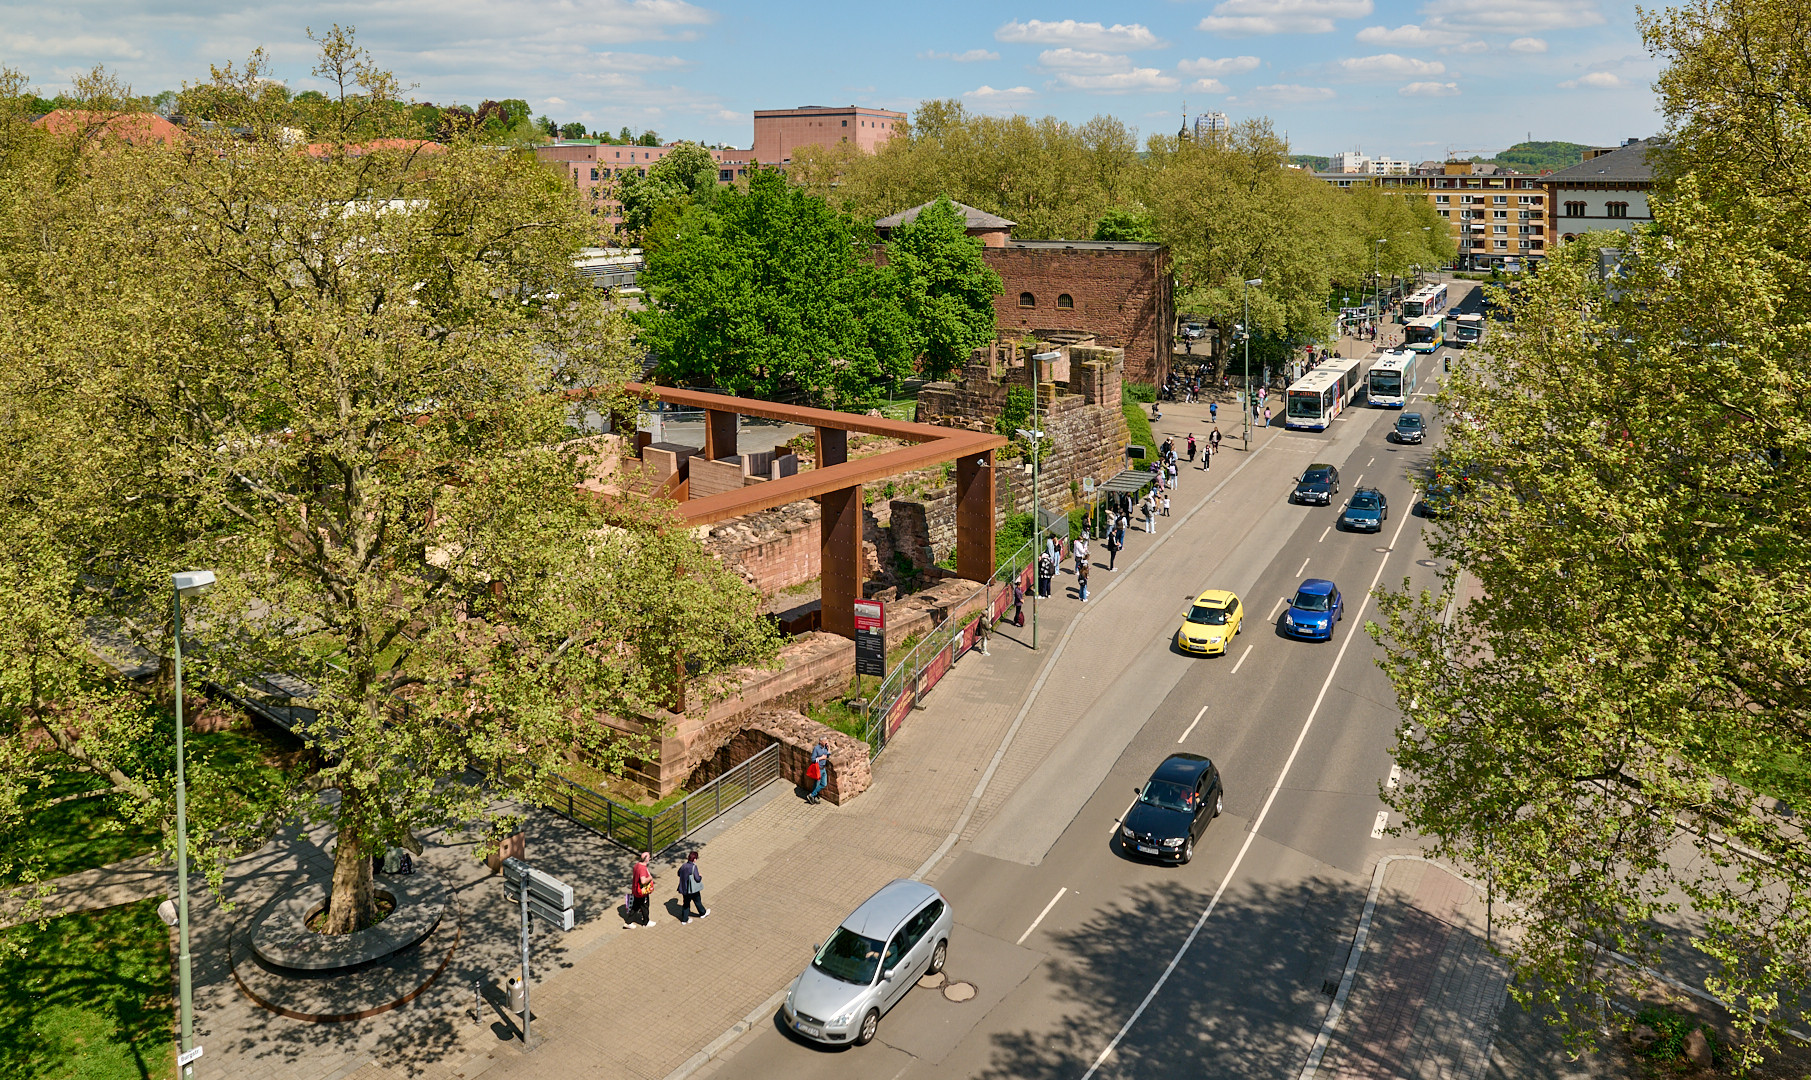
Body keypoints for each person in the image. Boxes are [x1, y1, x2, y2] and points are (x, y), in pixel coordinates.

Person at [677, 851, 707, 924]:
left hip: (684, 888)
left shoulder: (684, 865)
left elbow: (678, 873)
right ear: (694, 859)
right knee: (697, 901)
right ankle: (703, 913)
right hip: (692, 889)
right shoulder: (693, 867)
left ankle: (684, 919)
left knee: (686, 904)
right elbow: (697, 879)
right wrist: (700, 876)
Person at [628, 852, 655, 927]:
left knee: (635, 906)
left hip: (636, 890)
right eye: (649, 857)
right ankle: (646, 922)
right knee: (645, 906)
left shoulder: (637, 865)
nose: (650, 858)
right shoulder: (642, 868)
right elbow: (643, 881)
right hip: (642, 892)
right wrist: (650, 878)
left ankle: (628, 922)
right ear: (646, 859)